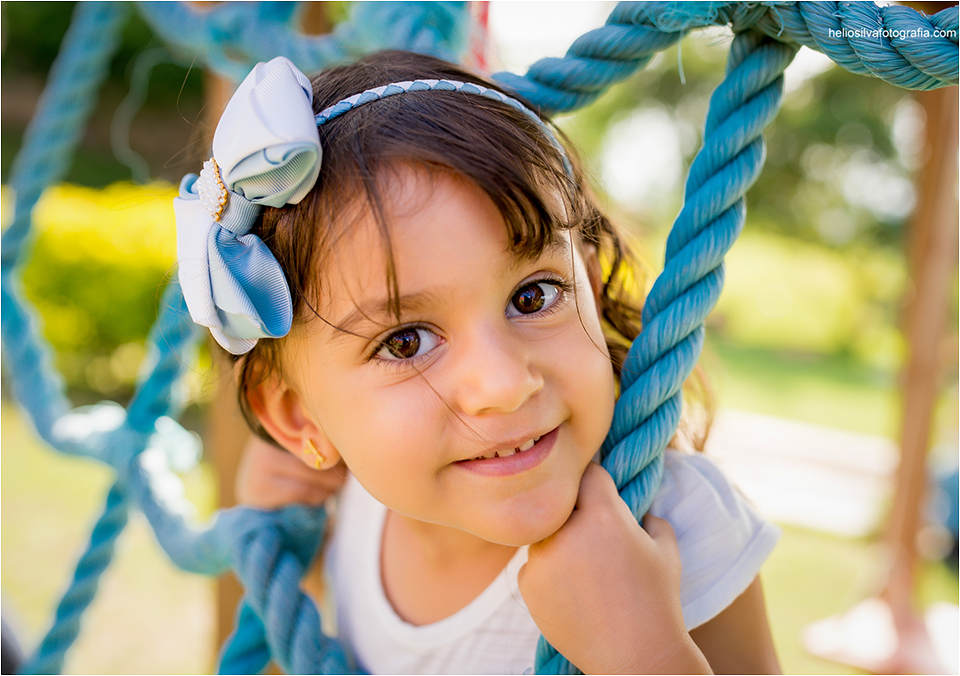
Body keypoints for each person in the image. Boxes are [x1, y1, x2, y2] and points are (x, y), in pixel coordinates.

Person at [176, 50, 781, 674]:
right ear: (299, 419)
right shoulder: (358, 511)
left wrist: (644, 652)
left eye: (534, 296)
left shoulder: (673, 524)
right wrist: (296, 543)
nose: (504, 385)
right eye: (406, 342)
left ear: (592, 292)